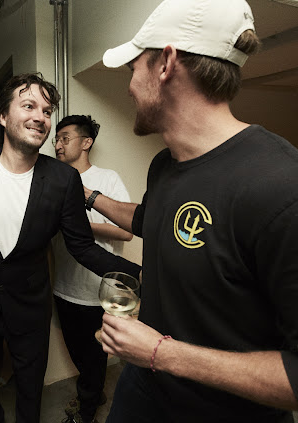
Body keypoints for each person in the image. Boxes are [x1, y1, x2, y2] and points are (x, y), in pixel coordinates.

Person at [90, 0, 298, 422]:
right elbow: (154, 222)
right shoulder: (164, 165)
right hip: (142, 391)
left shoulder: (281, 188)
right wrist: (90, 197)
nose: (129, 87)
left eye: (133, 69)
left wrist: (160, 353)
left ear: (166, 64)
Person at [0, 73, 141, 423]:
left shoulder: (63, 179)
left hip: (30, 309)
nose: (40, 118)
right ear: (3, 116)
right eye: (29, 106)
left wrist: (143, 274)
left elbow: (83, 247)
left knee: (30, 396)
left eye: (46, 111)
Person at [51, 115, 133, 423]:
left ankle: (86, 414)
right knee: (76, 352)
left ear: (86, 142)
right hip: (63, 285)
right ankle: (93, 393)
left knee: (95, 356)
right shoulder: (54, 180)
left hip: (97, 290)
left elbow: (126, 231)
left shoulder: (107, 179)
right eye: (56, 139)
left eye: (65, 138)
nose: (58, 145)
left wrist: (77, 225)